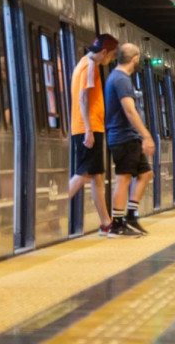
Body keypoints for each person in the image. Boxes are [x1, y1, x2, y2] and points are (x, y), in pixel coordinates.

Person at [68, 34, 118, 235]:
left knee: (96, 176)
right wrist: (89, 129)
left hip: (88, 127)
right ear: (104, 52)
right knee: (82, 174)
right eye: (112, 56)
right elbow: (83, 98)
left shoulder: (82, 63)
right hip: (88, 128)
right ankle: (50, 212)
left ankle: (106, 222)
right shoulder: (90, 66)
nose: (111, 60)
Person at [104, 43, 155, 237]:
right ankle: (117, 224)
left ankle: (131, 215)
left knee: (145, 174)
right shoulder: (121, 79)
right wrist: (146, 135)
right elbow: (129, 110)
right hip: (123, 136)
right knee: (124, 178)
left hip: (128, 136)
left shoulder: (119, 78)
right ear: (134, 59)